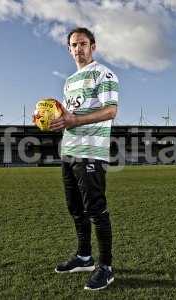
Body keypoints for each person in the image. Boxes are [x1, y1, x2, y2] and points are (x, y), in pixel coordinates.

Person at [50, 27, 119, 291]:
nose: (78, 49)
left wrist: (74, 120)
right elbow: (69, 117)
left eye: (83, 44)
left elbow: (111, 111)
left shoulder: (104, 74)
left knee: (95, 209)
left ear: (93, 46)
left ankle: (106, 267)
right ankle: (84, 257)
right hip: (69, 151)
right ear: (69, 49)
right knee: (75, 208)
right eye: (73, 45)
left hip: (91, 151)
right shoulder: (68, 82)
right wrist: (53, 120)